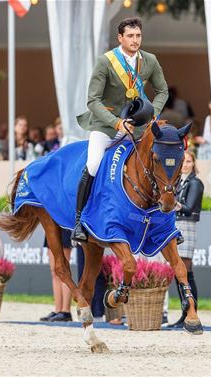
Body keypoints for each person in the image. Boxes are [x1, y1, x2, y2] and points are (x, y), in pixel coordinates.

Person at [72, 17, 168, 242]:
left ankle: (161, 222)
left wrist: (153, 113)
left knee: (152, 162)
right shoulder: (105, 62)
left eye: (138, 36)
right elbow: (92, 101)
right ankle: (79, 220)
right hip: (106, 125)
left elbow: (162, 90)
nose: (135, 40)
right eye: (131, 36)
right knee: (94, 163)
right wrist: (116, 123)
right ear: (120, 38)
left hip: (137, 126)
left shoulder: (150, 60)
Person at [168, 150, 204, 328]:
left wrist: (172, 204)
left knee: (186, 271)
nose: (185, 165)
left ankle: (192, 311)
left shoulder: (195, 183)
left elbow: (190, 207)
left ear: (193, 163)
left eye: (189, 161)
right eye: (183, 161)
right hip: (176, 224)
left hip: (187, 226)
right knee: (178, 272)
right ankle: (185, 311)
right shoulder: (177, 182)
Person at [39, 229, 73, 322]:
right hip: (51, 226)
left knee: (63, 271)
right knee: (54, 271)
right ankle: (58, 310)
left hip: (63, 225)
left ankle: (66, 311)